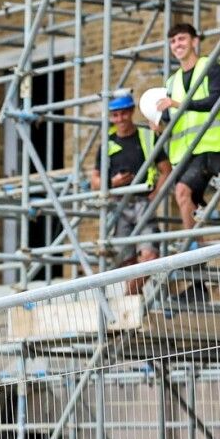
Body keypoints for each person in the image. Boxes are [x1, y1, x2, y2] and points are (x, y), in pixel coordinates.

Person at [154, 22, 220, 236]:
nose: (176, 44)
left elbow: (215, 101)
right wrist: (158, 126)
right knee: (188, 199)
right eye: (172, 41)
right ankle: (197, 248)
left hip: (209, 146)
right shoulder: (172, 82)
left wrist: (177, 105)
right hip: (183, 153)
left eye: (181, 39)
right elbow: (169, 122)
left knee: (182, 192)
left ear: (194, 41)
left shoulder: (211, 67)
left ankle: (191, 249)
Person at [89, 92, 170, 292]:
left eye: (124, 114)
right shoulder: (107, 144)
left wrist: (156, 195)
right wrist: (112, 182)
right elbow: (94, 182)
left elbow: (166, 170)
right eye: (115, 116)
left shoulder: (146, 136)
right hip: (119, 205)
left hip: (143, 202)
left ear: (132, 112)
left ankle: (129, 296)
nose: (120, 119)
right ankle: (133, 303)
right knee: (127, 261)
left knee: (150, 255)